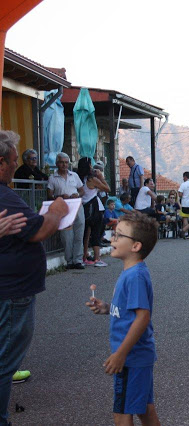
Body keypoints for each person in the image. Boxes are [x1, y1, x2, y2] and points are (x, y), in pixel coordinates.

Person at [0, 130, 69, 426]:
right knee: (5, 360)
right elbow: (38, 231)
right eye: (15, 160)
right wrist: (56, 210)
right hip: (11, 292)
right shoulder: (4, 195)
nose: (17, 166)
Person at [85, 211, 161, 426]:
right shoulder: (131, 272)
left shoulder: (135, 275)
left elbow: (142, 317)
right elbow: (131, 311)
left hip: (132, 358)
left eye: (119, 235)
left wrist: (120, 354)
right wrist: (107, 308)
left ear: (135, 246)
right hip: (138, 357)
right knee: (145, 409)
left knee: (122, 414)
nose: (112, 238)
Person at [47, 152, 86, 270]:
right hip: (63, 207)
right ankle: (69, 261)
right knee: (66, 235)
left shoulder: (74, 175)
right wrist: (59, 196)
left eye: (66, 162)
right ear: (57, 163)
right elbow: (49, 195)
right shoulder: (53, 178)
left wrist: (77, 194)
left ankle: (78, 260)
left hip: (77, 205)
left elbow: (82, 191)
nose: (64, 165)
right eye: (61, 162)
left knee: (79, 232)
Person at [78, 158, 110, 267]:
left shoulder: (79, 178)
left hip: (84, 208)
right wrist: (101, 177)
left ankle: (84, 257)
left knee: (86, 235)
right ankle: (97, 258)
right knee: (96, 233)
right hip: (94, 209)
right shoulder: (92, 179)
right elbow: (107, 189)